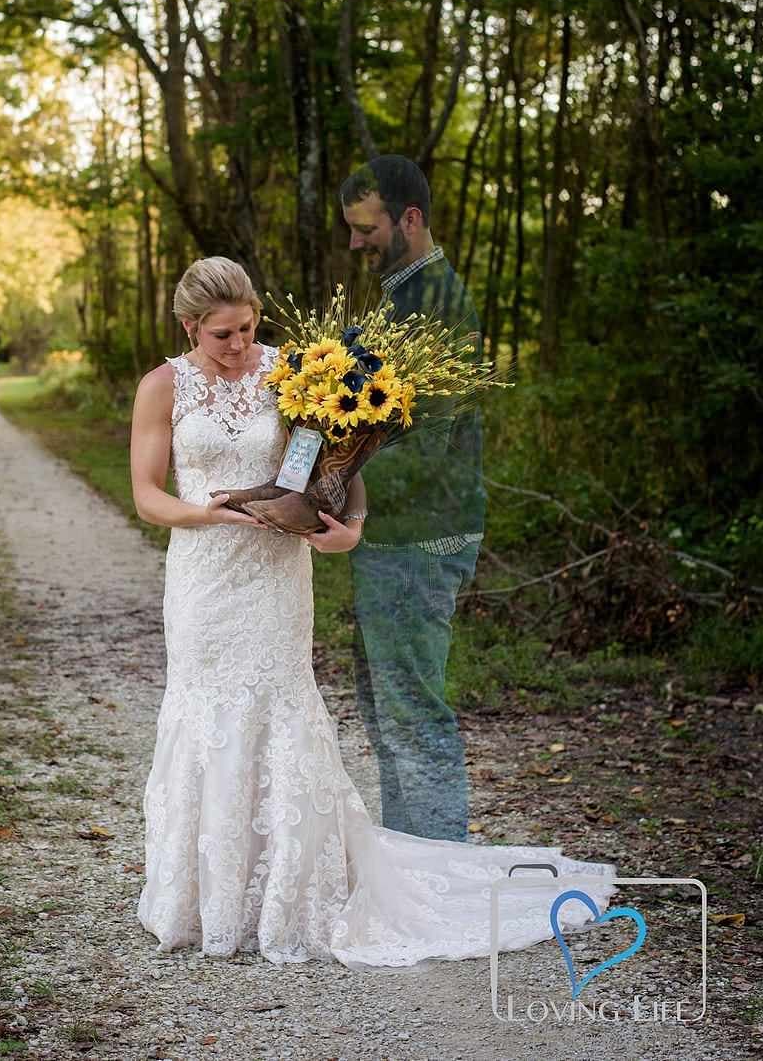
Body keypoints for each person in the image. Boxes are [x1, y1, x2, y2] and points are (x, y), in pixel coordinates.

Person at [130, 254, 615, 967]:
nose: (239, 346)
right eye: (223, 335)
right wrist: (216, 517)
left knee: (281, 704)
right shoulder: (162, 385)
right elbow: (148, 494)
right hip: (204, 576)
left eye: (248, 328)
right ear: (189, 326)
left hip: (276, 578)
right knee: (205, 710)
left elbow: (344, 464)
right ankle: (205, 897)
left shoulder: (294, 374)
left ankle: (291, 892)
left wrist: (349, 528)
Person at [340, 155, 484, 841]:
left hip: (423, 538)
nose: (355, 242)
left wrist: (330, 488)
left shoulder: (441, 305)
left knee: (411, 714)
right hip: (387, 535)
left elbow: (426, 448)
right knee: (385, 713)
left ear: (410, 218)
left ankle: (442, 878)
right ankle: (410, 869)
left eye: (366, 227)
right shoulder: (399, 298)